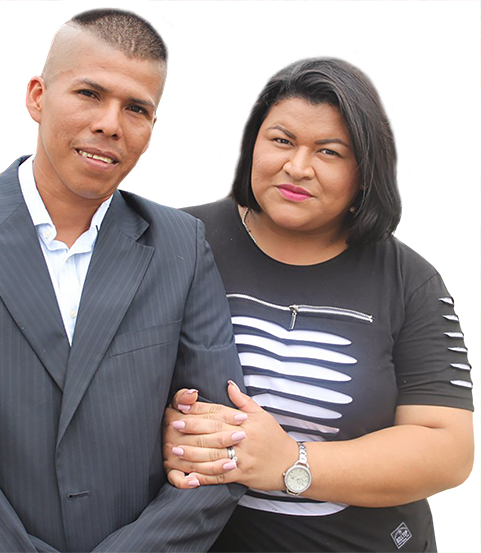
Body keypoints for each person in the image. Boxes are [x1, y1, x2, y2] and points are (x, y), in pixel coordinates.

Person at [0, 9, 245, 552]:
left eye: (136, 108)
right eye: (89, 94)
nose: (111, 124)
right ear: (37, 96)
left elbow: (221, 445)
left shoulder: (181, 246)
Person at [163, 58, 474, 552]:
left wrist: (291, 462)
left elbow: (448, 449)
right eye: (282, 140)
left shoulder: (409, 282)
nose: (297, 167)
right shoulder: (177, 243)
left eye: (329, 151)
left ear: (365, 170)